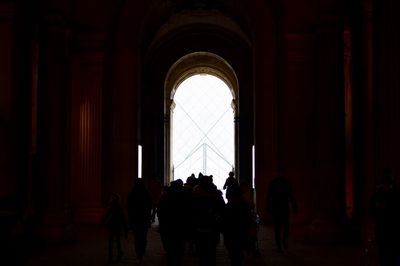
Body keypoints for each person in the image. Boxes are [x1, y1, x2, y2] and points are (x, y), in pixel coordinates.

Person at [369, 168, 400, 266]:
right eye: (386, 184)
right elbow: (372, 211)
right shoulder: (378, 194)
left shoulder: (396, 194)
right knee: (383, 255)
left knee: (393, 255)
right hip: (383, 229)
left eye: (389, 184)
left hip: (393, 230)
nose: (387, 186)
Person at [266, 171, 297, 253]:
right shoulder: (285, 182)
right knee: (283, 226)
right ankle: (282, 242)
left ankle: (280, 244)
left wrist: (268, 207)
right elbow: (291, 195)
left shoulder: (273, 183)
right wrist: (294, 206)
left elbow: (268, 196)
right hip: (283, 207)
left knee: (278, 227)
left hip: (276, 207)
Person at [126, 178, 153, 262]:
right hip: (144, 220)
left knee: (137, 238)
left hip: (135, 219)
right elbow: (150, 206)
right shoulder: (147, 194)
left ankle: (138, 254)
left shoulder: (131, 194)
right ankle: (142, 252)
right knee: (143, 237)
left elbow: (128, 208)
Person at [102, 193, 128, 264]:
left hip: (111, 226)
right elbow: (123, 219)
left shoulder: (110, 208)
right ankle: (119, 253)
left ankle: (110, 257)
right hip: (117, 226)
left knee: (111, 242)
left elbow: (106, 217)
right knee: (118, 241)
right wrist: (126, 229)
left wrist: (102, 224)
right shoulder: (119, 208)